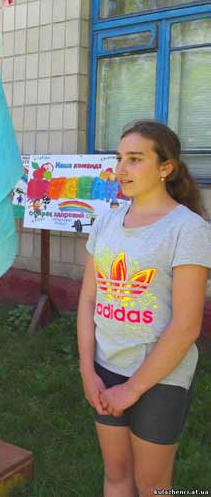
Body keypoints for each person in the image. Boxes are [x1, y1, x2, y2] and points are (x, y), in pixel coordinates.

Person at [77, 120, 211, 496]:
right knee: (116, 473)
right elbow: (88, 299)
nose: (122, 169)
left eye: (135, 159)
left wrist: (133, 388)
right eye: (119, 158)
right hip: (106, 367)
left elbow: (187, 325)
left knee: (152, 484)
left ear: (166, 167)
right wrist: (87, 370)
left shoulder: (188, 229)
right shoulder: (106, 221)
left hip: (160, 376)